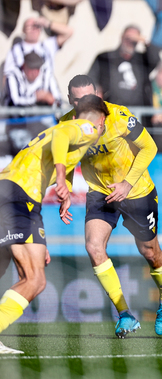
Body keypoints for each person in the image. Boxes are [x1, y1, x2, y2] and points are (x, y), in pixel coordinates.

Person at [60, 75, 162, 338]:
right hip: (100, 193)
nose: (83, 104)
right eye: (77, 100)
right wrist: (64, 190)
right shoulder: (65, 124)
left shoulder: (118, 116)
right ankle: (125, 315)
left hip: (136, 191)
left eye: (88, 97)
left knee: (150, 253)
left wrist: (127, 184)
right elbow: (64, 160)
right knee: (93, 246)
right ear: (70, 100)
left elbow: (149, 147)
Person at [0, 94, 106, 354]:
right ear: (100, 120)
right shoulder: (85, 128)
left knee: (16, 272)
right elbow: (61, 141)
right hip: (18, 197)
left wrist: (38, 240)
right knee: (34, 280)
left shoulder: (60, 129)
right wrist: (60, 178)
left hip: (14, 194)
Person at [88, 25, 160, 108]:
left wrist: (145, 41)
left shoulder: (142, 60)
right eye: (127, 38)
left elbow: (156, 60)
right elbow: (91, 78)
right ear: (122, 37)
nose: (129, 42)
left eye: (134, 40)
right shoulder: (105, 58)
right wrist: (97, 91)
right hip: (110, 111)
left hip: (137, 113)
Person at [3, 16, 73, 74]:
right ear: (23, 30)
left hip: (46, 89)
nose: (34, 29)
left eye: (37, 26)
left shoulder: (47, 45)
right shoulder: (15, 50)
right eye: (30, 26)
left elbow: (69, 32)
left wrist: (48, 24)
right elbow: (7, 75)